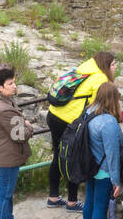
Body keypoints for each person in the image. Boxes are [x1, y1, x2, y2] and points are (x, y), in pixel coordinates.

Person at [45, 51, 116, 210]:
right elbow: (97, 106)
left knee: (58, 155)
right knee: (73, 157)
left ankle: (54, 197)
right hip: (68, 121)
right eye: (113, 64)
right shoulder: (101, 79)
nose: (115, 67)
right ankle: (71, 201)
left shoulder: (85, 67)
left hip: (54, 115)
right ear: (106, 65)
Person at [0, 65, 34, 219]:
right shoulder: (3, 107)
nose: (15, 86)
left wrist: (22, 122)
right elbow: (20, 134)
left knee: (7, 191)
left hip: (4, 151)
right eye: (10, 83)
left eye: (14, 82)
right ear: (0, 87)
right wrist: (28, 126)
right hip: (7, 154)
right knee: (4, 193)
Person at [83, 81, 123, 219]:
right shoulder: (108, 122)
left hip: (88, 165)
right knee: (100, 206)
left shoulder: (88, 111)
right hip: (103, 170)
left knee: (89, 204)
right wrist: (116, 181)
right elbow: (113, 154)